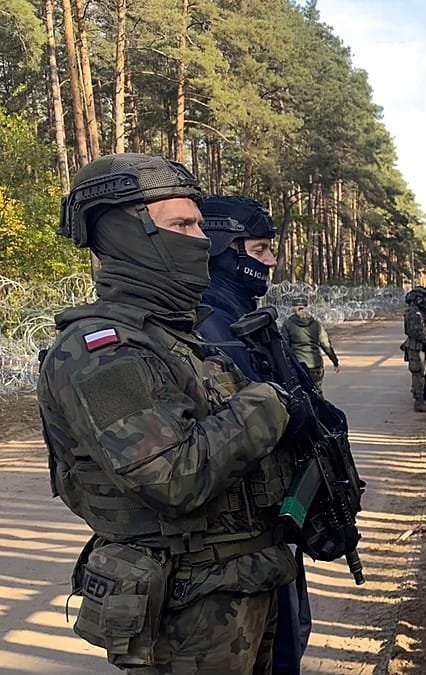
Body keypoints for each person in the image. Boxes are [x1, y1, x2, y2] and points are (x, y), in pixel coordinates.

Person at [36, 154, 300, 672]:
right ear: (124, 235)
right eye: (182, 224)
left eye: (200, 223)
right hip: (186, 606)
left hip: (239, 585)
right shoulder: (101, 354)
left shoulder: (177, 335)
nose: (201, 239)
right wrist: (267, 403)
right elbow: (172, 476)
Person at [195, 195, 312, 675]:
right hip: (233, 546)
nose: (271, 262)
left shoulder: (245, 319)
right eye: (260, 250)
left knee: (288, 638)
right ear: (226, 249)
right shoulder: (208, 323)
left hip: (265, 531)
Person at [283, 296, 339, 394]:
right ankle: (320, 408)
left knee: (302, 393)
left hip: (298, 365)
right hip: (315, 365)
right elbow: (325, 344)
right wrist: (335, 361)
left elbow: (285, 347)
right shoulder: (316, 324)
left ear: (293, 308)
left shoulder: (287, 324)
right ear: (306, 307)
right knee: (317, 392)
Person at [404, 288, 426, 412]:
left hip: (422, 346)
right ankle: (419, 401)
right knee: (418, 374)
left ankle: (423, 395)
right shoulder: (413, 313)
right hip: (416, 347)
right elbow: (414, 331)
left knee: (425, 374)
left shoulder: (421, 311)